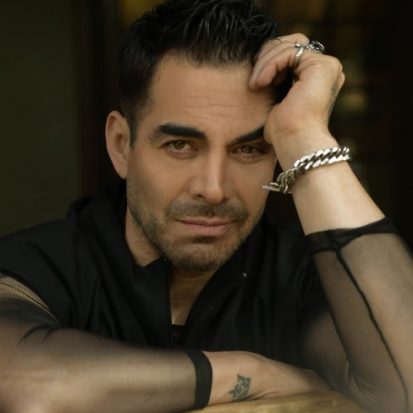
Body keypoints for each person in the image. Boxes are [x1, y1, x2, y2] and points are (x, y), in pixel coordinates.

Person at [0, 0, 411, 412]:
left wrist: (304, 133)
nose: (213, 189)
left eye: (249, 149)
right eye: (180, 145)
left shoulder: (301, 276)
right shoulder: (31, 267)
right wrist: (250, 373)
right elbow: (31, 383)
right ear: (121, 146)